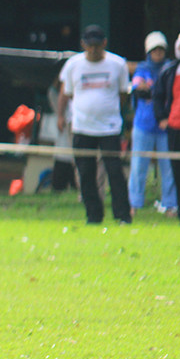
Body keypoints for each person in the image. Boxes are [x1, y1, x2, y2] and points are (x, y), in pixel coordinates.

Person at [57, 25, 131, 224]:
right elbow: (67, 93)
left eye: (97, 46)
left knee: (115, 172)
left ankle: (122, 215)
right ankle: (93, 215)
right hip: (82, 127)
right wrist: (61, 116)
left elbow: (123, 94)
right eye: (90, 46)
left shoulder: (118, 64)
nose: (94, 50)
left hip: (110, 128)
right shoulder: (73, 65)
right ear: (83, 45)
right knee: (86, 174)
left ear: (104, 44)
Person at [129, 31, 176, 217]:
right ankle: (134, 202)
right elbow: (139, 91)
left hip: (166, 125)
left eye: (161, 50)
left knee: (169, 167)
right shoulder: (142, 68)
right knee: (139, 166)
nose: (158, 54)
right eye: (154, 50)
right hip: (144, 124)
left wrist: (153, 92)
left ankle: (170, 204)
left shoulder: (170, 69)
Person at [153, 28, 180, 225]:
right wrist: (162, 117)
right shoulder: (169, 71)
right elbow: (157, 96)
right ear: (179, 49)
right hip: (177, 128)